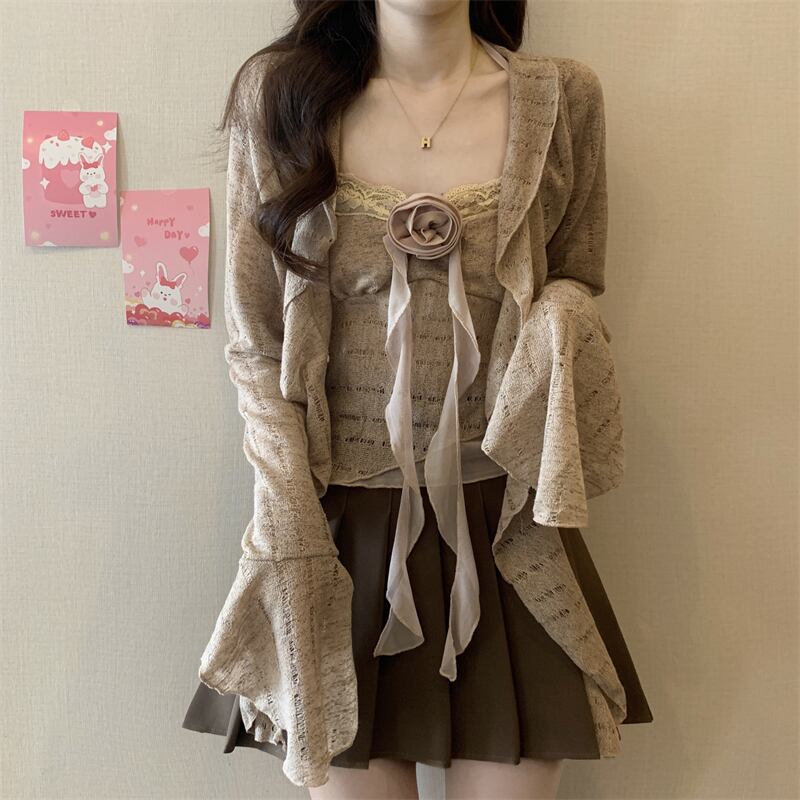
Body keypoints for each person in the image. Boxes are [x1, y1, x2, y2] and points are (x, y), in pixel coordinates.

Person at [182, 1, 654, 797]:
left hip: (507, 524)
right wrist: (289, 520)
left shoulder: (562, 98)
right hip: (335, 527)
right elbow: (256, 342)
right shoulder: (282, 97)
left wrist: (562, 314)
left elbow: (579, 270)